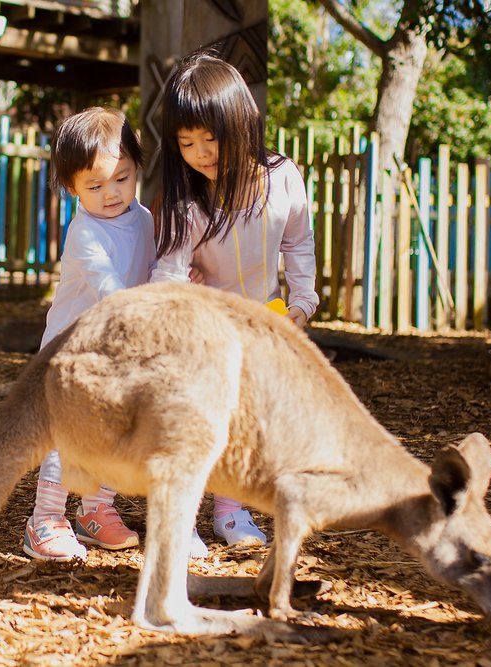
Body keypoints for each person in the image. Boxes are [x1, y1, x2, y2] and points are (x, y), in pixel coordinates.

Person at [150, 50, 319, 556]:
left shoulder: (282, 177)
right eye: (187, 143)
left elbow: (299, 241)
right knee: (200, 422)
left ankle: (231, 510)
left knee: (246, 422)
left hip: (263, 321)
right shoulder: (188, 205)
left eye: (211, 137)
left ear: (242, 122)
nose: (201, 153)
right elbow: (169, 271)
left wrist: (303, 300)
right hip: (207, 327)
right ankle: (180, 518)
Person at [23, 107, 155, 561]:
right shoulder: (85, 232)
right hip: (73, 353)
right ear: (72, 188)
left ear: (136, 167)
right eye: (94, 186)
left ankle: (96, 510)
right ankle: (44, 519)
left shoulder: (146, 219)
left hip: (119, 350)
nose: (111, 193)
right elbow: (108, 288)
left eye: (121, 178)